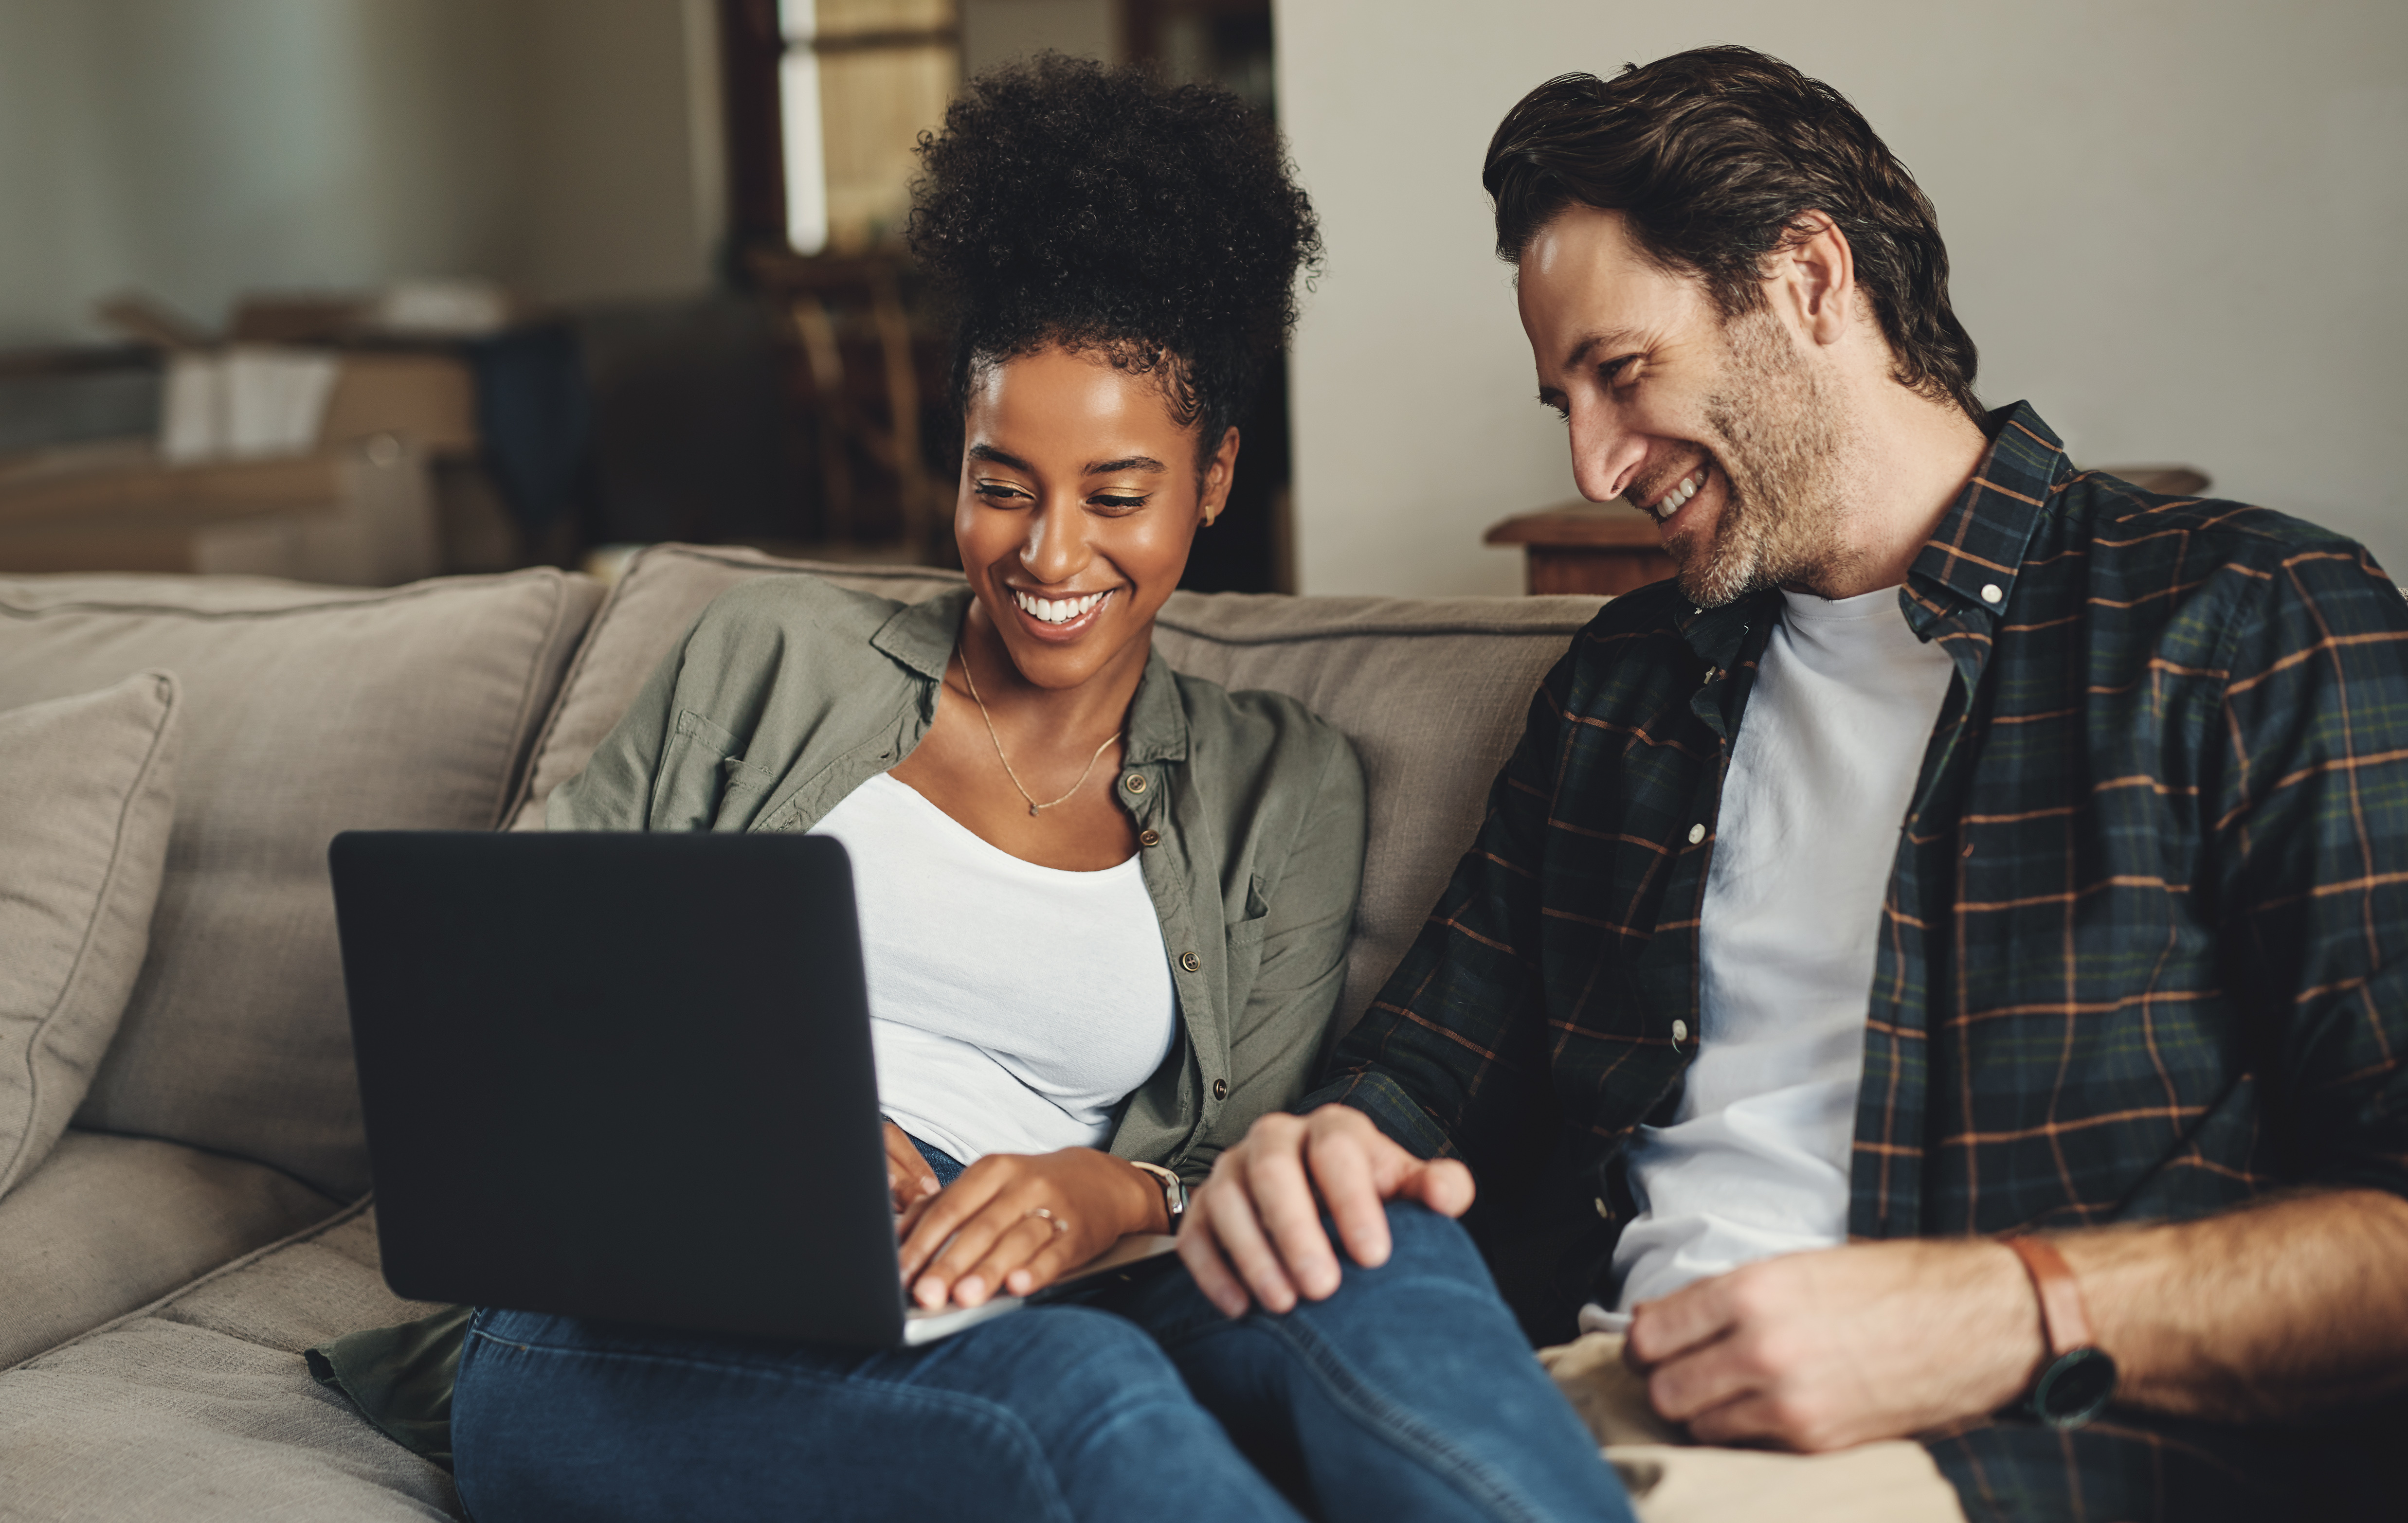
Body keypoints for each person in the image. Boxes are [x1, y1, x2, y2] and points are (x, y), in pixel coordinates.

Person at [313, 57, 1635, 1523]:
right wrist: (758, 1141)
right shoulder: (769, 655)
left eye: (1117, 494)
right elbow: (503, 983)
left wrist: (1108, 1194)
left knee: (1387, 1252)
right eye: (1001, 482)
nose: (1048, 556)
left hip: (1051, 1281)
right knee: (1079, 1397)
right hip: (620, 1319)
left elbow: (1235, 1158)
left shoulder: (1286, 786)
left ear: (1213, 478)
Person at [1177, 45, 2408, 1523]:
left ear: (1811, 280)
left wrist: (2006, 1309)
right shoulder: (1627, 689)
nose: (1594, 462)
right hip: (1554, 1405)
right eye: (1562, 399)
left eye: (1622, 373)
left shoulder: (2253, 626)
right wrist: (1312, 1157)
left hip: (1991, 1446)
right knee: (1064, 1393)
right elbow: (1423, 1068)